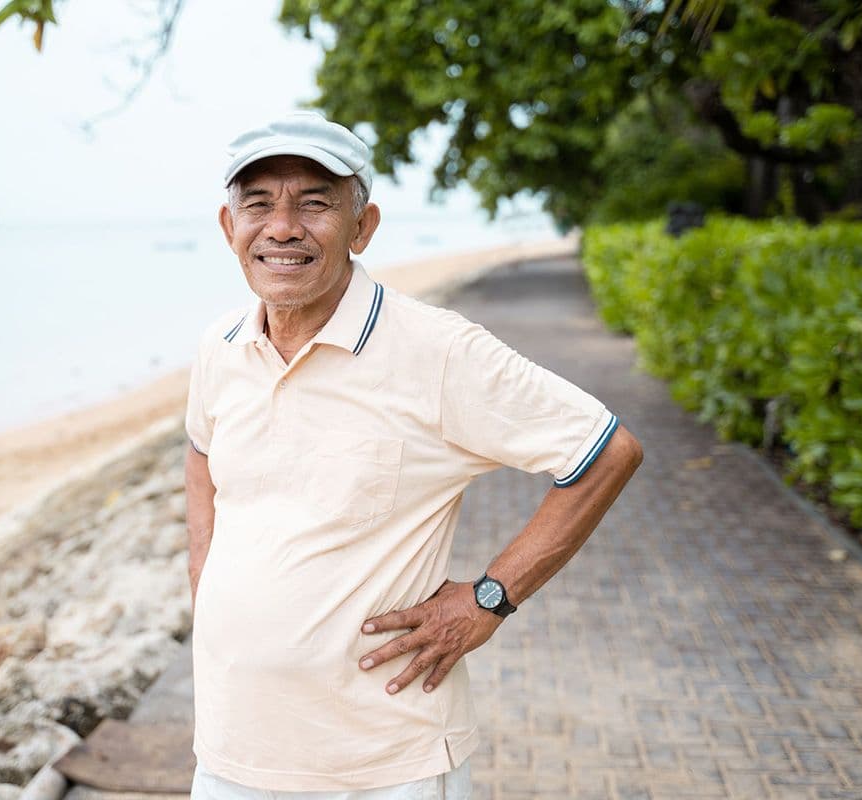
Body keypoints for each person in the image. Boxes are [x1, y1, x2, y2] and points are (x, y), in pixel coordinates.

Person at [183, 111, 644, 799]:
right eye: (258, 204)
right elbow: (203, 463)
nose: (282, 227)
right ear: (229, 227)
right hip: (231, 755)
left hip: (384, 764)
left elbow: (605, 452)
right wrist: (211, 599)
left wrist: (489, 600)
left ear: (362, 226)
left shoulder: (438, 351)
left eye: (315, 203)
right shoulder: (220, 346)